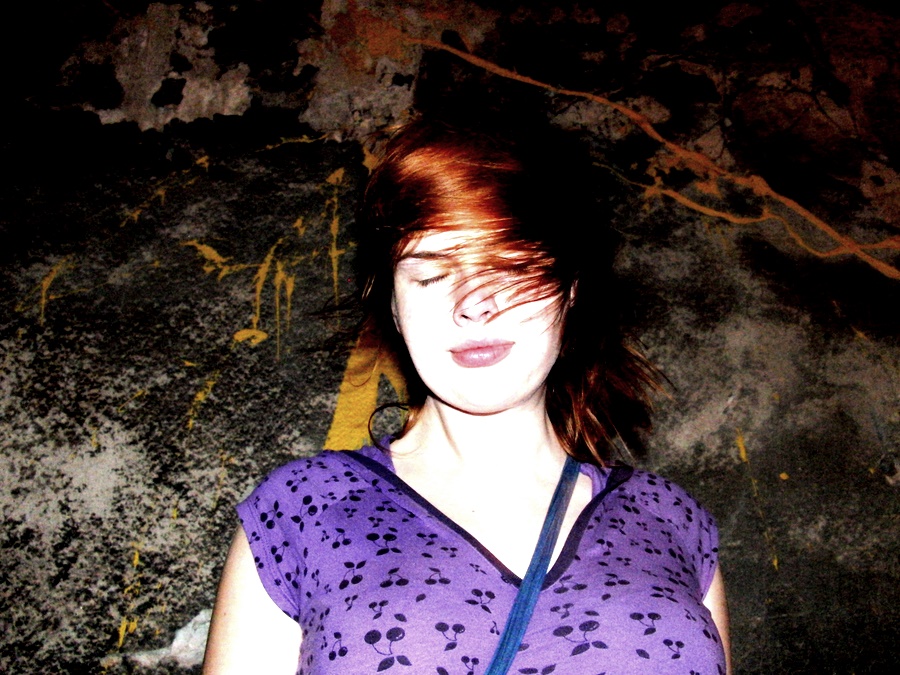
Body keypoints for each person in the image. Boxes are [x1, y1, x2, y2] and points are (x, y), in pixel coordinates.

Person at [203, 119, 732, 674]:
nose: (474, 304)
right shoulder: (301, 511)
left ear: (570, 287)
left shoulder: (672, 520)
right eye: (431, 277)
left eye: (510, 266)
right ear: (393, 306)